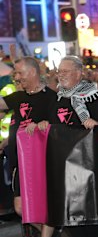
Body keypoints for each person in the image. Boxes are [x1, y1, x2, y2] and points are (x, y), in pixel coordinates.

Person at [36, 56, 98, 237]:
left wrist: (96, 124)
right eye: (59, 72)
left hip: (86, 169)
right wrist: (44, 124)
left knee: (86, 221)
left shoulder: (93, 96)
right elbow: (56, 125)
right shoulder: (58, 98)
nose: (60, 75)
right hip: (62, 169)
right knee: (67, 220)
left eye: (65, 71)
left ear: (78, 74)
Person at [0, 57, 57, 237]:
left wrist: (46, 123)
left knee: (45, 204)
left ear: (32, 72)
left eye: (19, 73)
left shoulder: (52, 97)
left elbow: (59, 124)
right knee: (20, 208)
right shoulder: (18, 97)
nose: (17, 77)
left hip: (44, 160)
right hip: (21, 163)